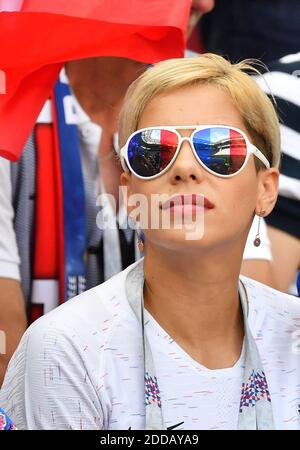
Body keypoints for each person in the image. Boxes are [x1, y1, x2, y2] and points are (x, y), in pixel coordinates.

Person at [1, 54, 300, 430]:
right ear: (128, 191)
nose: (185, 168)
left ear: (266, 188)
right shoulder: (66, 348)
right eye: (153, 152)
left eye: (220, 149)